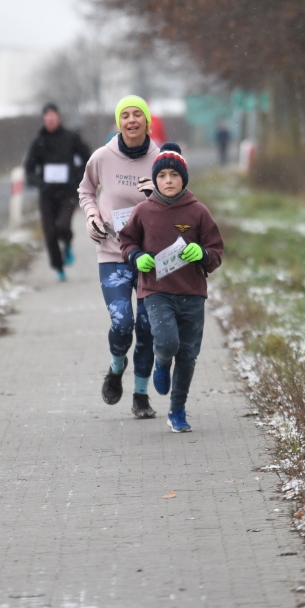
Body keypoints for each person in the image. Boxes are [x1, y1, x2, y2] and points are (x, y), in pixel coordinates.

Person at [119, 143, 224, 432]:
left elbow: (216, 251)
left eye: (174, 175)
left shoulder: (198, 212)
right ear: (155, 179)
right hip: (156, 291)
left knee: (188, 354)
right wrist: (136, 257)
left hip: (192, 293)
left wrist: (202, 254)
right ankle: (162, 363)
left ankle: (177, 410)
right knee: (166, 343)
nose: (168, 180)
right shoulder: (143, 210)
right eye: (162, 175)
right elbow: (126, 242)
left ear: (183, 179)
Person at [78, 95, 160, 418]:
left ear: (147, 121)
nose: (131, 120)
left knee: (148, 329)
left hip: (150, 258)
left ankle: (141, 395)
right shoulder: (102, 157)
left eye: (137, 114)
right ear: (118, 122)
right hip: (113, 253)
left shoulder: (160, 159)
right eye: (125, 115)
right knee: (123, 323)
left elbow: (179, 197)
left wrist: (156, 195)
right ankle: (116, 367)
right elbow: (86, 190)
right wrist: (91, 217)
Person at [25, 103, 91, 282]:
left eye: (53, 117)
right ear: (43, 120)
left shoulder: (70, 138)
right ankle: (59, 266)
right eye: (47, 118)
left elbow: (87, 158)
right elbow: (29, 168)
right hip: (47, 193)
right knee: (50, 231)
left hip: (67, 192)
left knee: (62, 226)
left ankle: (67, 242)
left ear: (58, 117)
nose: (51, 120)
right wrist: (39, 183)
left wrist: (76, 177)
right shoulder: (39, 142)